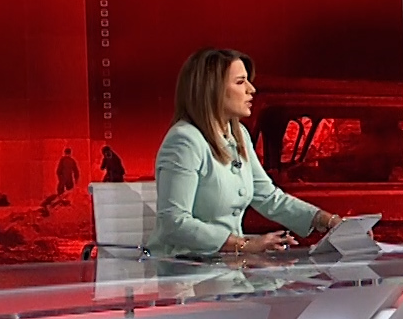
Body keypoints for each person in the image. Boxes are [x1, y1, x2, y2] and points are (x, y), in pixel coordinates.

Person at [147, 48, 344, 258]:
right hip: (181, 266)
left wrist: (325, 220)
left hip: (223, 264)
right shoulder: (184, 141)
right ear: (212, 89)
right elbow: (173, 223)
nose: (251, 89)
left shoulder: (238, 133)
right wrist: (244, 244)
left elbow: (268, 197)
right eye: (240, 82)